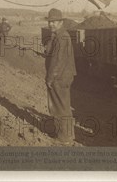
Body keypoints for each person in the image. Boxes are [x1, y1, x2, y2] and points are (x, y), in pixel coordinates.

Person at [44, 8, 77, 145]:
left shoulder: (62, 37)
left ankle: (65, 138)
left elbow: (58, 60)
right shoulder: (59, 35)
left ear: (60, 22)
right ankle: (62, 133)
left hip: (59, 77)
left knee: (61, 107)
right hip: (62, 76)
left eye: (54, 22)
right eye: (50, 21)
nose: (51, 24)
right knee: (60, 106)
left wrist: (50, 78)